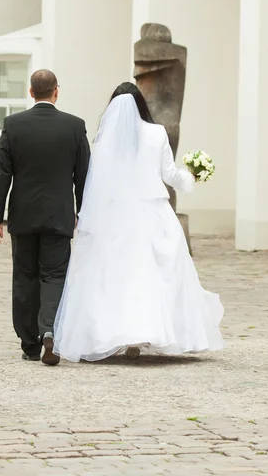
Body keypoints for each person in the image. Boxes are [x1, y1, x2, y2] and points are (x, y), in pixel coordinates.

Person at [54, 82, 224, 362]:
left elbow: (99, 183)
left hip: (116, 213)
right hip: (152, 211)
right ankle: (152, 330)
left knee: (116, 274)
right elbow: (169, 174)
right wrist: (192, 175)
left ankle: (119, 333)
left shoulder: (105, 138)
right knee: (155, 272)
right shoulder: (157, 133)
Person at [0, 69, 90, 365]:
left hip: (23, 215)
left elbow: (2, 174)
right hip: (59, 216)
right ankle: (50, 330)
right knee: (55, 276)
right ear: (56, 91)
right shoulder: (74, 126)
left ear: (31, 92)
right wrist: (82, 213)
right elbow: (84, 177)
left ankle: (30, 343)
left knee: (25, 276)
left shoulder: (13, 125)